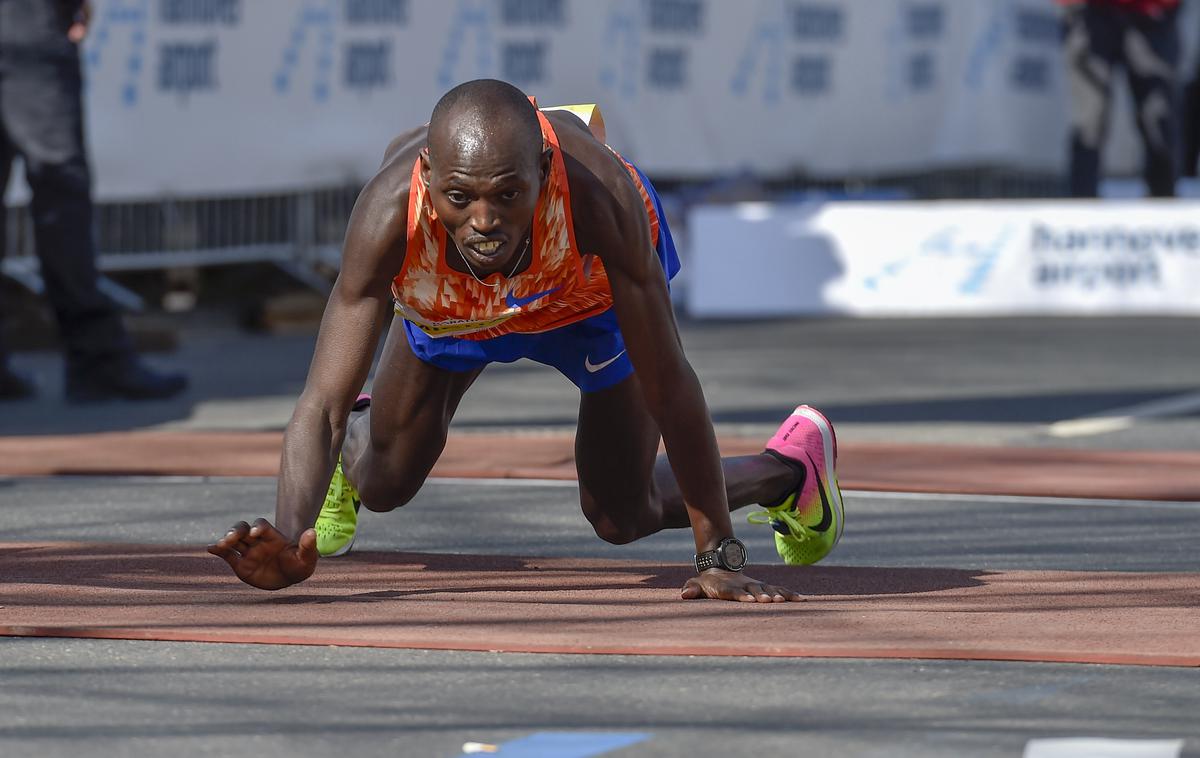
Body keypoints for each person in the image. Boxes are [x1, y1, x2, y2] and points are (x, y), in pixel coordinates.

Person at [208, 80, 844, 602]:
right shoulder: (388, 216)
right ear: (428, 178)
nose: (483, 223)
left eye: (507, 196)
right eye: (460, 198)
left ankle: (788, 473)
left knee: (623, 515)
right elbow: (321, 400)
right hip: (451, 305)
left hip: (584, 299)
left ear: (543, 172)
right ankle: (361, 442)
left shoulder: (601, 199)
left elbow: (671, 386)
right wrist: (291, 536)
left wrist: (716, 553)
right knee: (383, 486)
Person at [0, 0, 187, 402]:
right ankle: (96, 358)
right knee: (61, 192)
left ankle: (96, 357)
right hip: (24, 25)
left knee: (60, 192)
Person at [1060, 0, 1183, 197]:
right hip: (1090, 13)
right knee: (1089, 119)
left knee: (1158, 116)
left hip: (1152, 11)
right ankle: (1081, 213)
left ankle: (1165, 211)